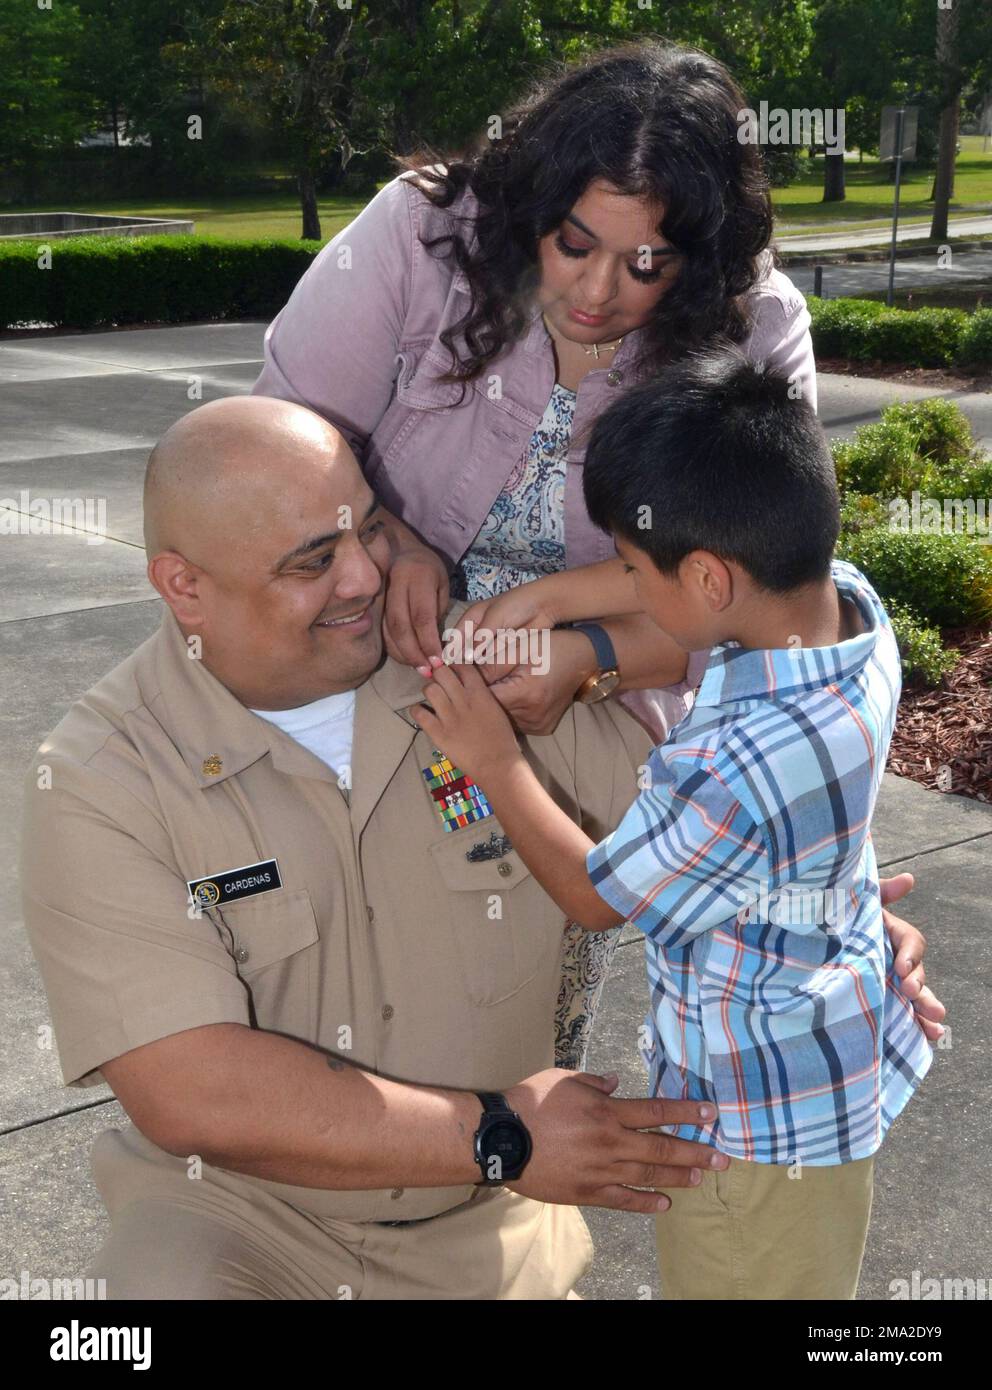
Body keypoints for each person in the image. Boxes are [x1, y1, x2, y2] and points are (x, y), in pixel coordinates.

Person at [19, 394, 729, 1302]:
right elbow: (194, 1091)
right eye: (314, 560)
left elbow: (701, 823)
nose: (365, 577)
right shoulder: (102, 779)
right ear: (182, 584)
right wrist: (502, 1134)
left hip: (489, 1228)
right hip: (241, 1226)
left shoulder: (477, 666)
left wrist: (833, 920)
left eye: (371, 528)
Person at [249, 37, 825, 1070]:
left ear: (698, 255)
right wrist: (388, 538)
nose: (597, 291)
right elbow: (276, 437)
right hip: (365, 627)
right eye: (571, 243)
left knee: (501, 978)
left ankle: (495, 1164)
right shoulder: (420, 231)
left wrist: (588, 655)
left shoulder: (754, 326)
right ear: (531, 202)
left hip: (606, 691)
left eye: (646, 262)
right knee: (321, 938)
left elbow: (759, 600)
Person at [409, 349, 938, 1301]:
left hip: (748, 1145)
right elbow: (687, 603)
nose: (622, 581)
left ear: (706, 577)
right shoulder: (852, 609)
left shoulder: (731, 765)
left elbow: (597, 893)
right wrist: (553, 600)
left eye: (630, 566)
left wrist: (490, 756)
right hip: (824, 1070)